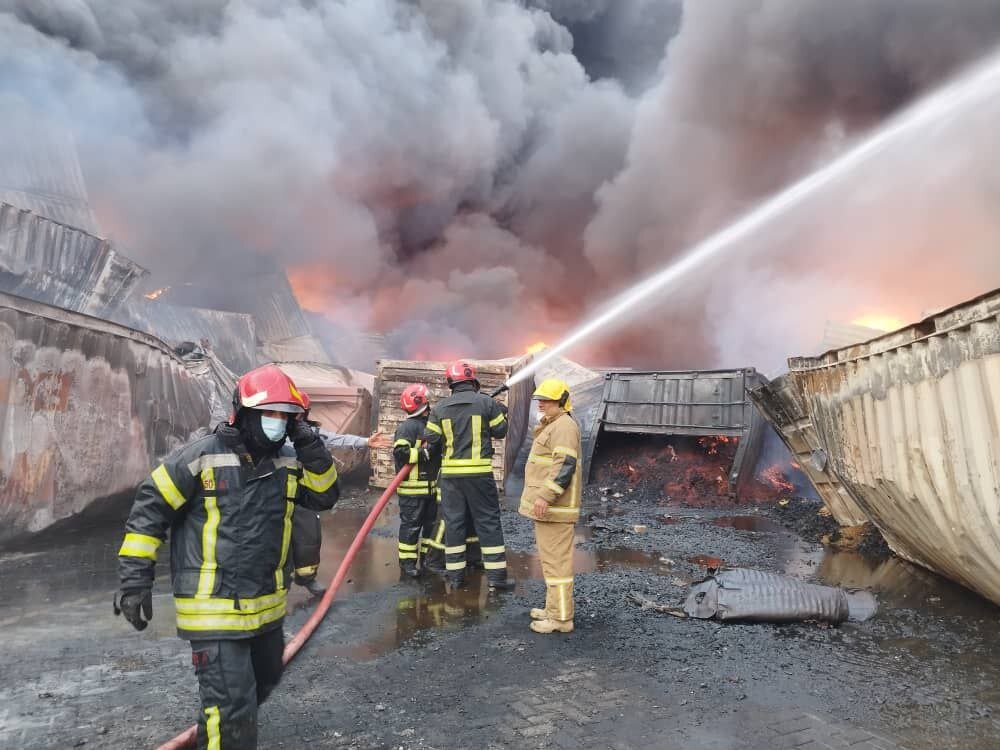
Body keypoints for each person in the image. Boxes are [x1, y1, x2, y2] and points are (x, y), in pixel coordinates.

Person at [115, 364, 340, 749]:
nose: (276, 423)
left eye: (284, 416)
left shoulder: (287, 461)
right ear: (243, 414)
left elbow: (324, 495)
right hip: (213, 610)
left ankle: (215, 732)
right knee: (233, 710)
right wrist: (136, 580)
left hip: (266, 609)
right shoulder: (200, 458)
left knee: (261, 685)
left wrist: (308, 444)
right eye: (269, 413)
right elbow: (149, 511)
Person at [422, 360, 515, 591]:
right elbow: (500, 431)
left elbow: (431, 439)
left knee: (454, 523)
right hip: (479, 475)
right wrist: (500, 411)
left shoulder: (440, 408)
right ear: (473, 381)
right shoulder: (485, 403)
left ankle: (455, 576)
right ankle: (497, 579)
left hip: (451, 477)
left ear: (450, 383)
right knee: (488, 522)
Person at [290, 392, 391, 596]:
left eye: (298, 414)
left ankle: (306, 577)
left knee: (309, 537)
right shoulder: (259, 436)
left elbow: (336, 439)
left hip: (301, 495)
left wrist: (366, 442)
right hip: (272, 494)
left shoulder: (308, 434)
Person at [518, 378, 582, 634]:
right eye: (540, 399)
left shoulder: (564, 426)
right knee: (550, 562)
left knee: (557, 566)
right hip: (551, 510)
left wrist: (545, 497)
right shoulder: (554, 425)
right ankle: (553, 608)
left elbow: (564, 466)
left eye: (547, 400)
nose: (541, 404)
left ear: (561, 402)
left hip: (555, 508)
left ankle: (561, 619)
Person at [391, 383, 441, 577]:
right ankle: (407, 564)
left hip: (430, 489)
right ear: (422, 403)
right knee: (411, 528)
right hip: (412, 492)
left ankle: (427, 560)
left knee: (430, 527)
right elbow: (401, 453)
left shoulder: (431, 425)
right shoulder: (406, 428)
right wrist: (425, 452)